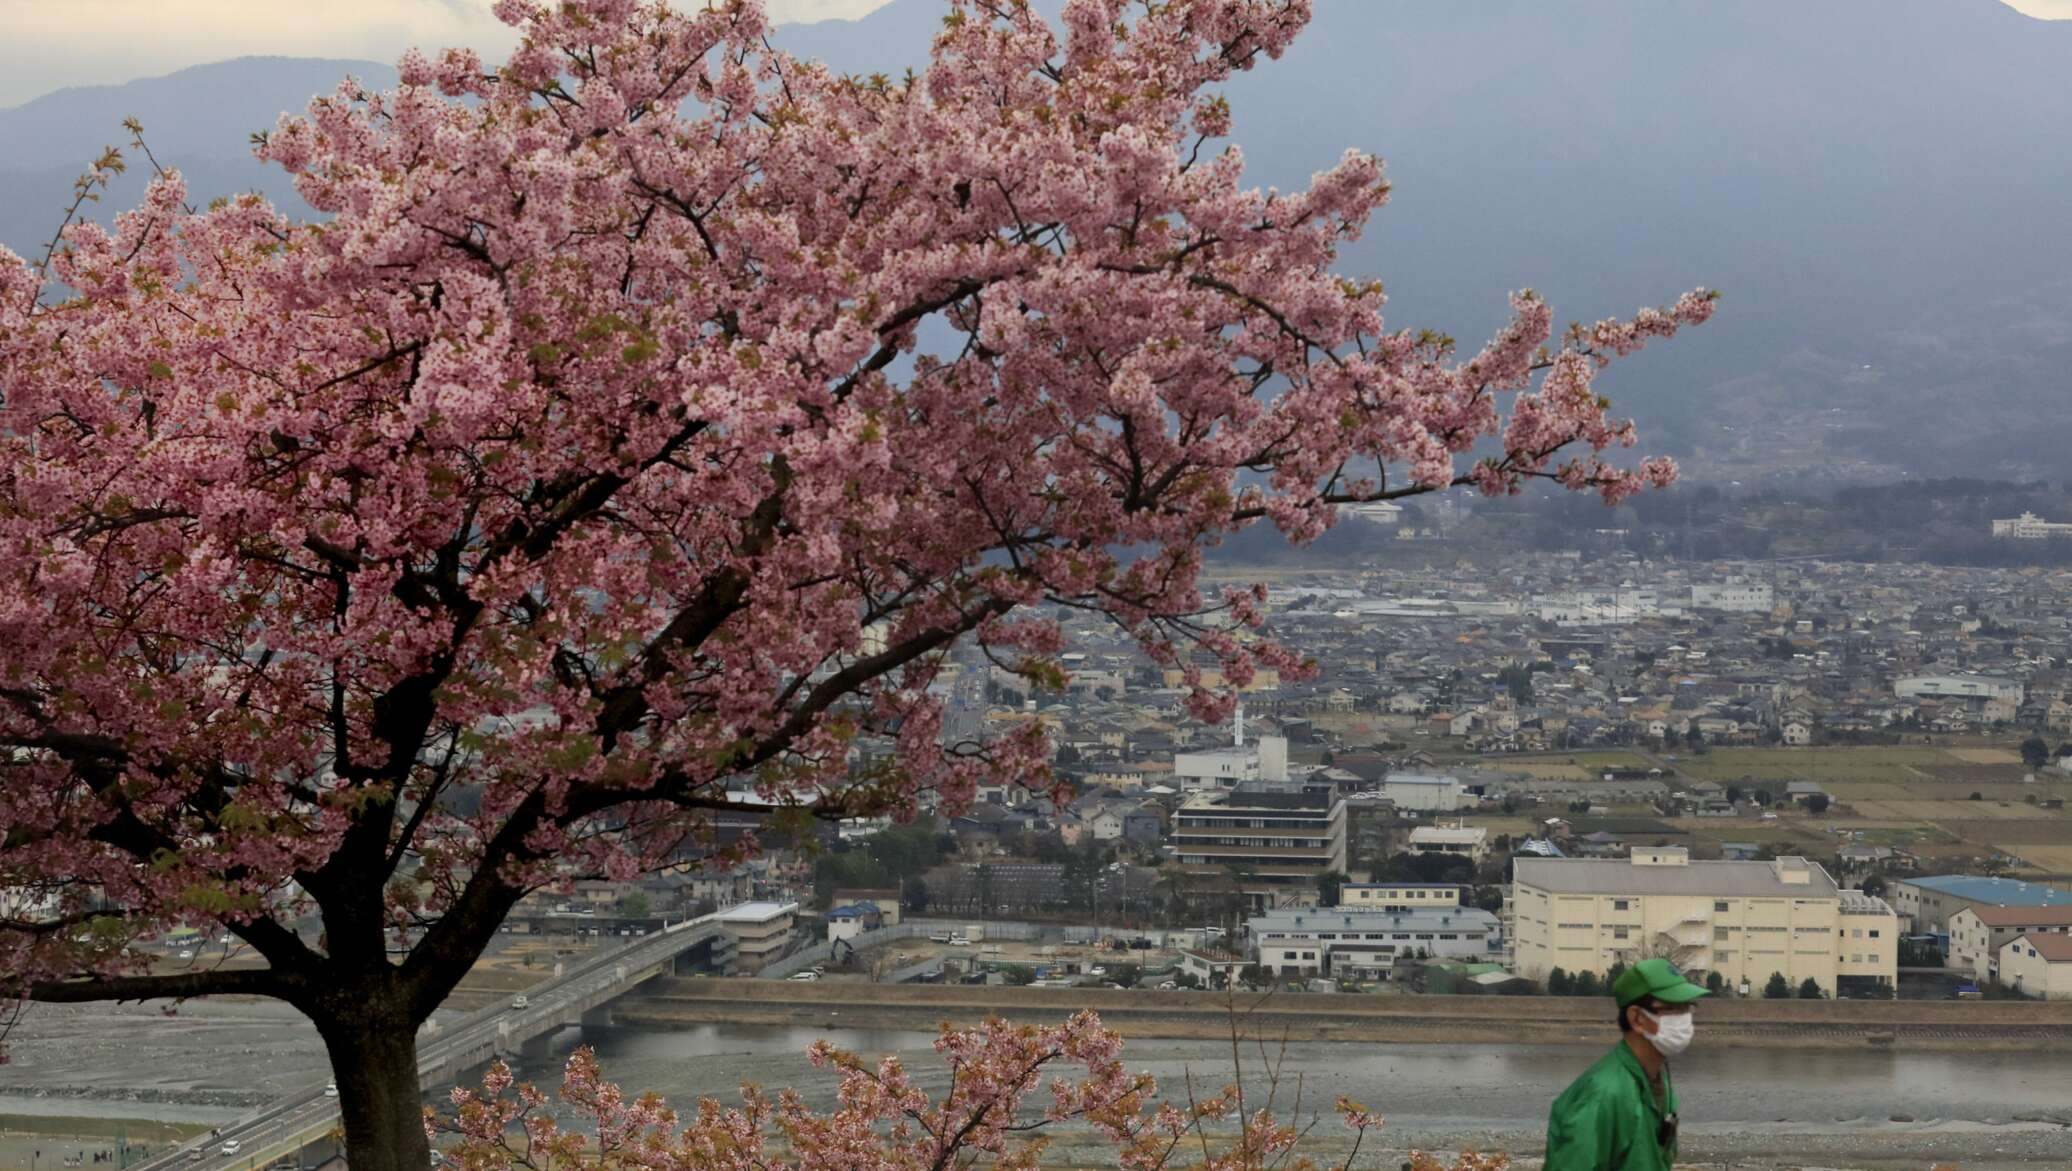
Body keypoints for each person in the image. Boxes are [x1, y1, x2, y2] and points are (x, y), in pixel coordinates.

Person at [1543, 958, 1709, 1170]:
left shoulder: (1658, 1079)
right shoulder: (1602, 1094)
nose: (1684, 1018)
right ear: (1637, 1018)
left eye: (1688, 1007)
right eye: (1672, 1008)